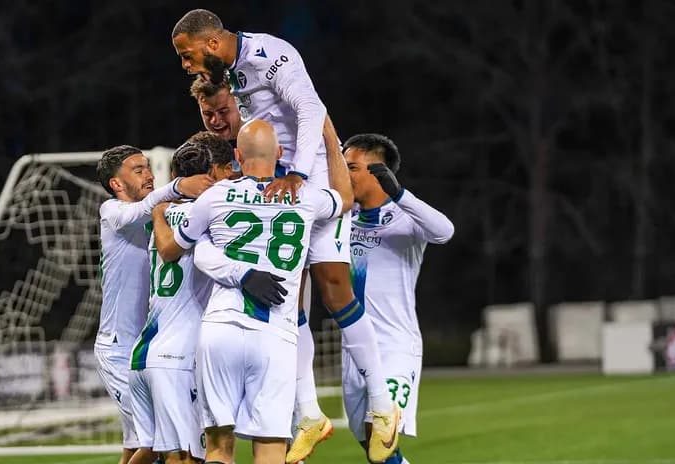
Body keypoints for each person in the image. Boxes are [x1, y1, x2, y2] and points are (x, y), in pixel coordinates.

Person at [172, 10, 398, 462]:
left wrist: (299, 172)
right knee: (287, 297)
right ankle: (310, 414)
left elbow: (312, 109)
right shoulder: (232, 74)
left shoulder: (269, 53)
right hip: (275, 186)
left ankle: (382, 404)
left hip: (305, 184)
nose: (185, 64)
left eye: (186, 55)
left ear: (212, 43)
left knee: (335, 289)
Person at [153, 119, 353, 464]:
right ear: (278, 153)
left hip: (220, 329)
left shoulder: (215, 195)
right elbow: (345, 198)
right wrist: (331, 142)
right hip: (275, 335)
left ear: (236, 157)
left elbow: (179, 247)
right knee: (271, 449)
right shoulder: (305, 196)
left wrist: (166, 200)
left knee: (218, 448)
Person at [94, 145, 212, 464]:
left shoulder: (161, 213)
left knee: (140, 444)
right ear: (116, 184)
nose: (147, 174)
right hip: (118, 348)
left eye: (147, 167)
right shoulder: (113, 212)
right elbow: (140, 211)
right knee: (156, 443)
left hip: (147, 345)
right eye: (137, 170)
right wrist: (176, 187)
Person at [343, 134, 454, 464]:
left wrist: (400, 194)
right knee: (372, 450)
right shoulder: (343, 220)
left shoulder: (407, 220)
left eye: (352, 167)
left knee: (381, 436)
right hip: (352, 349)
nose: (343, 173)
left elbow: (444, 231)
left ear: (378, 171)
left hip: (393, 346)